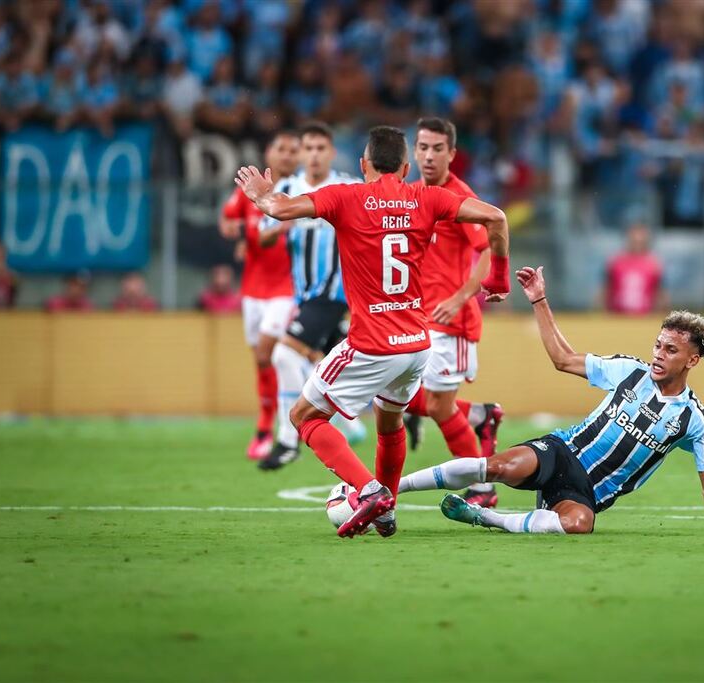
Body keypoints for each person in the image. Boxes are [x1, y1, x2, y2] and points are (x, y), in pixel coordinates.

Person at [234, 125, 512, 538]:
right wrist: (499, 278)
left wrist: (259, 194)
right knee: (389, 421)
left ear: (363, 165)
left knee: (303, 417)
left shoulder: (346, 197)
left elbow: (279, 209)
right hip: (417, 344)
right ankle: (386, 510)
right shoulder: (428, 198)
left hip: (371, 344)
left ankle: (369, 491)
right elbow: (496, 217)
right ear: (406, 167)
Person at [399, 266, 704, 538]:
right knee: (499, 466)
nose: (659, 354)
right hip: (561, 452)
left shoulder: (693, 420)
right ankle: (393, 487)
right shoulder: (630, 371)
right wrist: (539, 300)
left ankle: (483, 517)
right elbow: (563, 359)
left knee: (579, 525)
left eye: (671, 350)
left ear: (692, 360)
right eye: (658, 345)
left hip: (586, 493)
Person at [401, 117, 505, 508]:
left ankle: (483, 488)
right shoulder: (410, 194)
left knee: (437, 406)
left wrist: (461, 298)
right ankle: (479, 416)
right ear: (413, 151)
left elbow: (489, 248)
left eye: (437, 148)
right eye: (423, 147)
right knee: (387, 391)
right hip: (415, 318)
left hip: (450, 322)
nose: (429, 155)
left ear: (452, 154)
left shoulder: (460, 197)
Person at [255, 122, 362, 470]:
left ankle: (289, 440)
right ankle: (386, 418)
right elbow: (263, 236)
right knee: (336, 363)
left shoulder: (348, 187)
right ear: (302, 154)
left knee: (285, 354)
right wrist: (281, 223)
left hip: (335, 293)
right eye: (309, 148)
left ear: (331, 153)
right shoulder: (288, 189)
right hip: (305, 295)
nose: (314, 155)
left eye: (320, 148)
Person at [219, 130, 300, 461]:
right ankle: (270, 424)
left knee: (270, 352)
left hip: (287, 288)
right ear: (269, 153)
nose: (287, 155)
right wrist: (233, 231)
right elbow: (228, 218)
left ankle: (277, 428)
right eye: (282, 149)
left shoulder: (300, 192)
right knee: (262, 360)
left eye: (293, 150)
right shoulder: (250, 191)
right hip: (253, 289)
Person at [605, 224, 667, 315]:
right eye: (634, 241)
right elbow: (606, 290)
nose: (637, 245)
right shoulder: (616, 261)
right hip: (618, 316)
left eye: (641, 242)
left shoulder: (654, 264)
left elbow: (660, 294)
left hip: (645, 317)